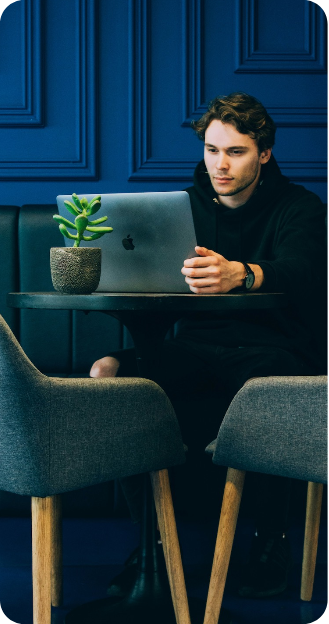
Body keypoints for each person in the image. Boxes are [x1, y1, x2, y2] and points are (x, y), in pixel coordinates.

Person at [90, 92, 327, 599]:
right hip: (196, 348)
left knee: (271, 387)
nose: (220, 164)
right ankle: (153, 542)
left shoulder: (299, 207)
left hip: (272, 350)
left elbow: (303, 271)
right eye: (212, 149)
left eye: (236, 152)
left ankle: (270, 540)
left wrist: (242, 274)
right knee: (113, 377)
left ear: (263, 153)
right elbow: (153, 283)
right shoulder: (182, 209)